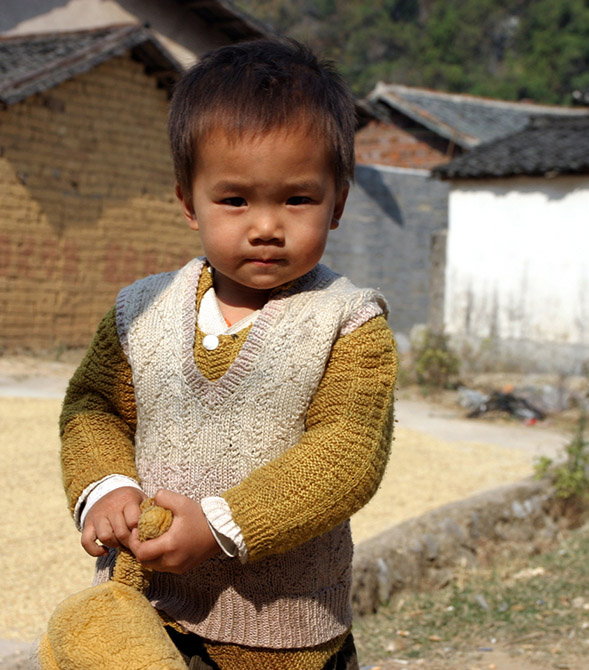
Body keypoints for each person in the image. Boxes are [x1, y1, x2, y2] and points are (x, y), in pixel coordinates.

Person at [59, 37, 397, 669]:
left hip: (286, 634)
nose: (266, 225)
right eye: (235, 199)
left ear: (338, 202)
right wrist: (106, 487)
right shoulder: (143, 311)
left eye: (298, 199)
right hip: (151, 618)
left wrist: (221, 525)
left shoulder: (348, 324)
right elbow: (93, 406)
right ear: (189, 201)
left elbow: (347, 452)